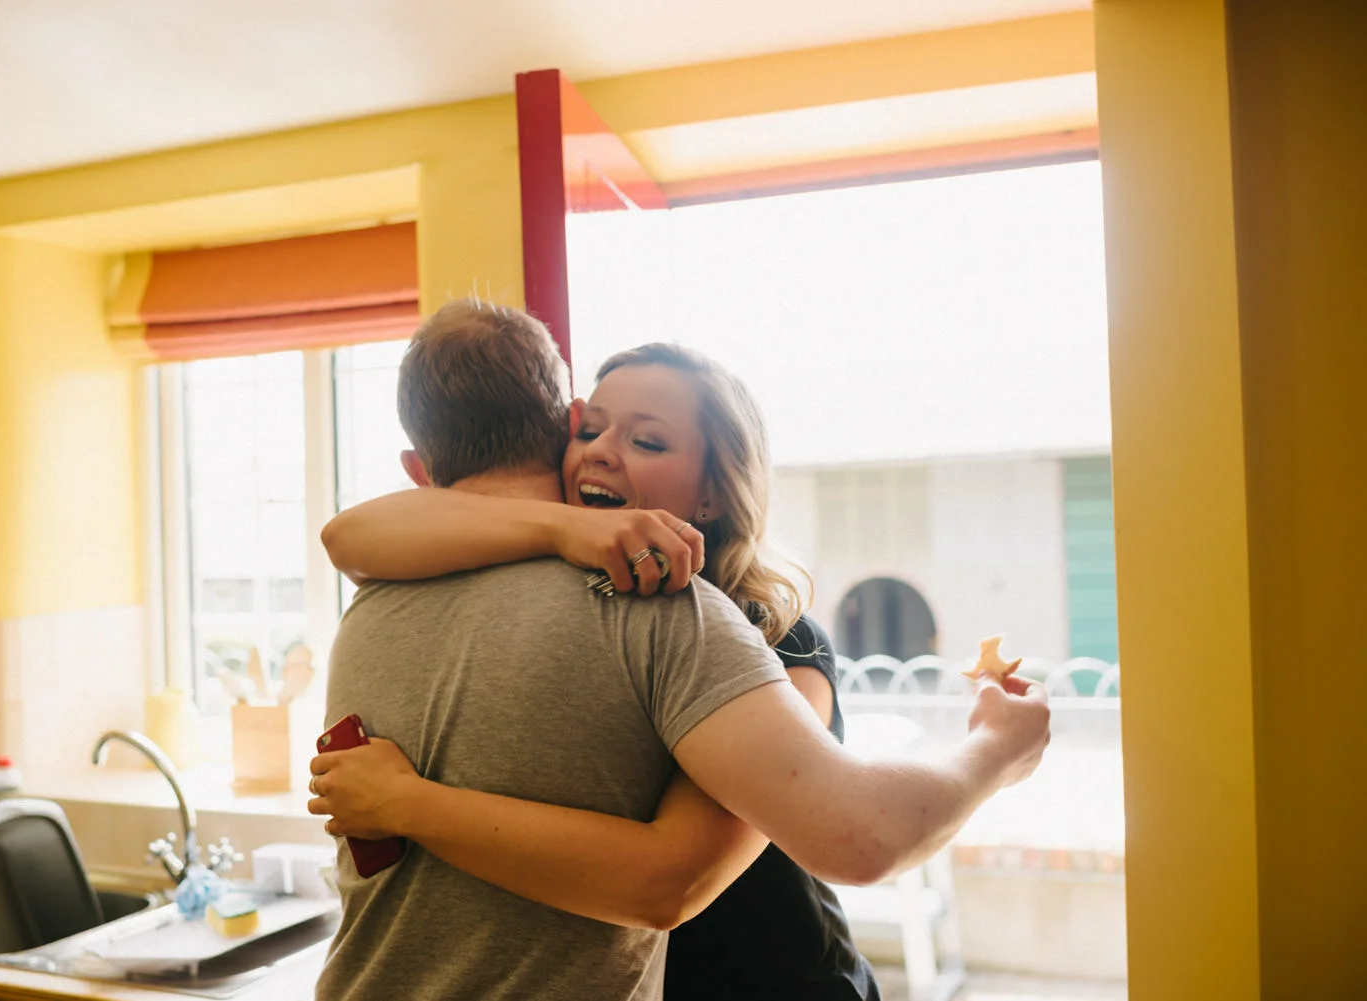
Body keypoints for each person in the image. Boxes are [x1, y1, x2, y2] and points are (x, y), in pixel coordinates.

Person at [309, 299, 1049, 1001]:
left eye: (648, 439)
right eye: (590, 430)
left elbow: (701, 871)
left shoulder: (760, 630)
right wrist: (561, 529)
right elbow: (347, 534)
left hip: (774, 982)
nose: (601, 454)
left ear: (711, 495)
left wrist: (992, 749)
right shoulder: (584, 579)